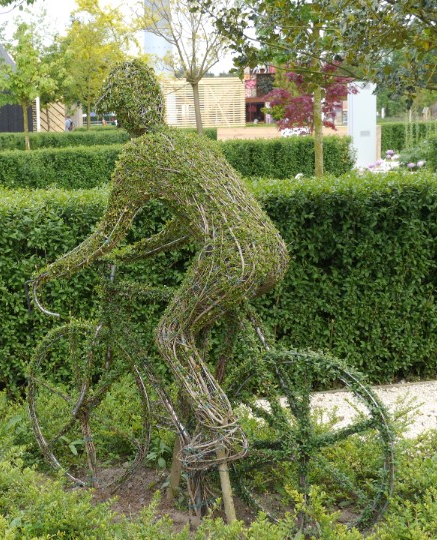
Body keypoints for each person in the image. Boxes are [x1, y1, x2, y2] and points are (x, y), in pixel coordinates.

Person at [31, 60, 289, 470]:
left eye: (118, 112)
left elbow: (106, 235)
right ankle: (202, 443)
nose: (119, 123)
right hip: (269, 250)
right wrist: (137, 253)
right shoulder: (191, 145)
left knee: (170, 334)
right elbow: (185, 226)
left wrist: (54, 270)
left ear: (130, 111)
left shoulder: (141, 155)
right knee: (198, 331)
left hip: (233, 256)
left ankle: (223, 430)